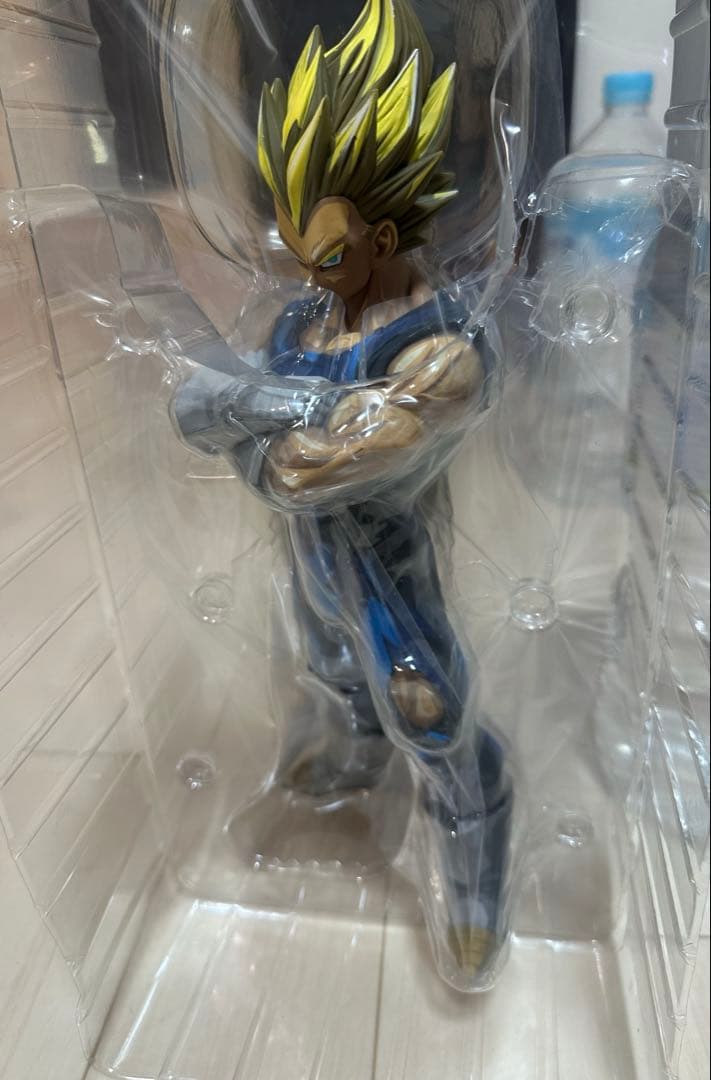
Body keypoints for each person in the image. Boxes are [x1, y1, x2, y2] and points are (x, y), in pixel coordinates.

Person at [174, 0, 513, 991]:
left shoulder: (438, 349)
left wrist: (263, 418)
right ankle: (358, 752)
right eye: (294, 239)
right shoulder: (299, 324)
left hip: (390, 577)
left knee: (427, 706)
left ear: (385, 226)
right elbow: (205, 416)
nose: (305, 267)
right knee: (329, 668)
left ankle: (476, 835)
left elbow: (304, 466)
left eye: (324, 248)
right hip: (315, 568)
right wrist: (266, 411)